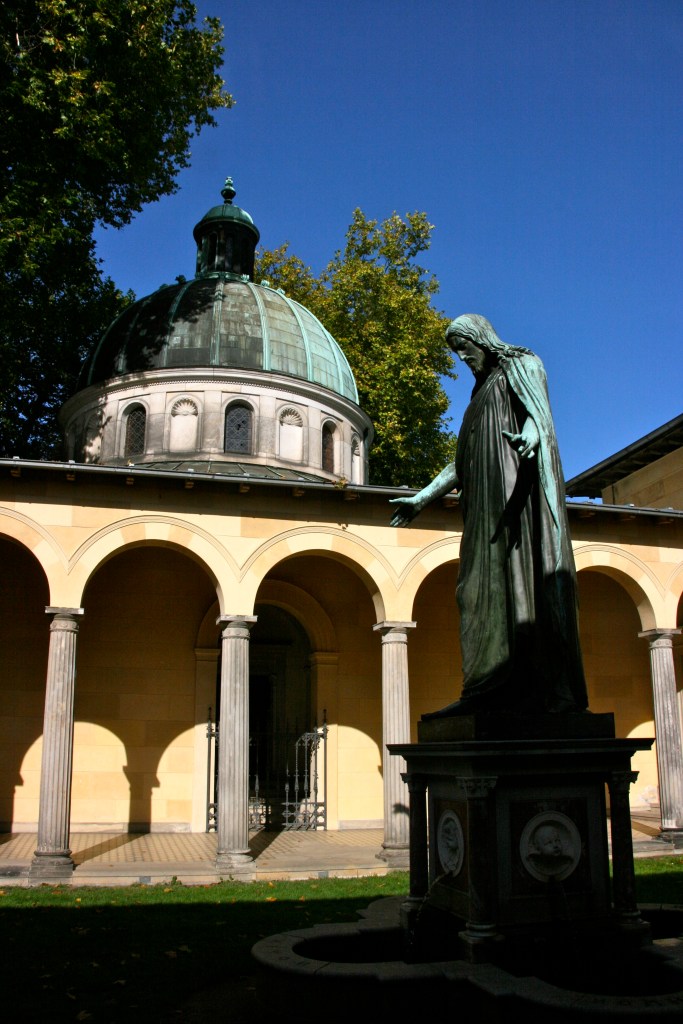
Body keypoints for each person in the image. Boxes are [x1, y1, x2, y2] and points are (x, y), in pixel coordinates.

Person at [390, 314, 587, 716]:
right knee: (473, 592)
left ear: (482, 339)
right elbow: (460, 463)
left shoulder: (522, 363)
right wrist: (421, 498)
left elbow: (539, 416)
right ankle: (482, 690)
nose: (461, 356)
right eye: (455, 350)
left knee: (518, 587)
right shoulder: (477, 399)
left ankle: (521, 689)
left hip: (515, 508)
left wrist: (532, 434)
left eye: (464, 346)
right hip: (482, 514)